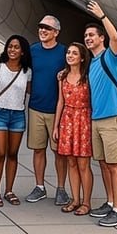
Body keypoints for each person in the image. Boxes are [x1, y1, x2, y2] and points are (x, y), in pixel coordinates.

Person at [84, 0, 117, 227]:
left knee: (114, 165)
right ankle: (110, 202)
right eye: (86, 36)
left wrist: (102, 16)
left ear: (101, 38)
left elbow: (116, 38)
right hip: (97, 120)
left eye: (92, 35)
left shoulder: (111, 56)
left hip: (114, 117)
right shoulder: (92, 63)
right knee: (102, 163)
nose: (89, 38)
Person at [24, 14, 69, 205]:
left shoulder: (65, 52)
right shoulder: (32, 51)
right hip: (36, 108)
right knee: (38, 149)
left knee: (59, 151)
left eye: (47, 28)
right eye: (41, 26)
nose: (42, 30)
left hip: (57, 111)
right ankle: (39, 187)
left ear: (56, 32)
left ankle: (61, 188)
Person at [0, 35, 33, 207]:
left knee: (13, 154)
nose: (12, 50)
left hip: (17, 115)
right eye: (10, 46)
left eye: (16, 47)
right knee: (0, 153)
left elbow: (29, 92)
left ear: (22, 51)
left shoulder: (27, 71)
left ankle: (9, 190)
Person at [53, 42, 94, 216]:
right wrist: (56, 126)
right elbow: (60, 102)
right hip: (67, 120)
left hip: (83, 120)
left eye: (74, 53)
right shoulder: (62, 76)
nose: (70, 55)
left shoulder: (88, 76)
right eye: (68, 52)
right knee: (70, 162)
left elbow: (92, 101)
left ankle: (86, 202)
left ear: (82, 57)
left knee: (83, 163)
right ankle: (75, 199)